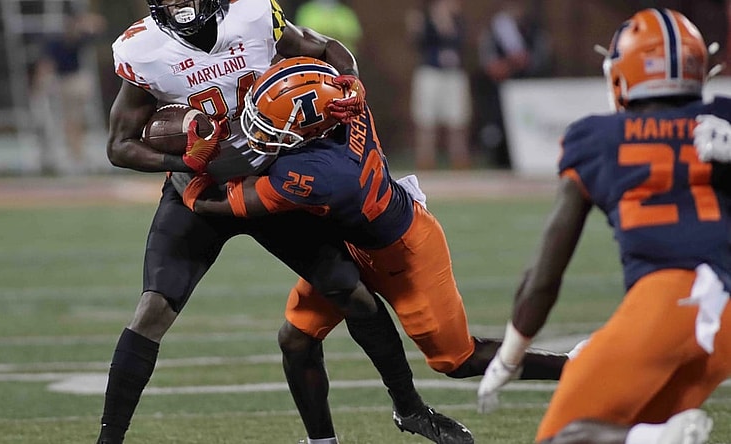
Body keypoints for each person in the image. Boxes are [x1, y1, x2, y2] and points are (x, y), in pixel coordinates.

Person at [96, 1, 466, 443]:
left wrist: (350, 84)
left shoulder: (251, 14)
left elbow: (328, 49)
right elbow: (120, 146)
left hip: (270, 178)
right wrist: (181, 159)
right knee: (151, 311)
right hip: (201, 188)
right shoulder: (145, 49)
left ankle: (410, 410)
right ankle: (109, 440)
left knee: (353, 293)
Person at [192, 56, 570, 443]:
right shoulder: (349, 106)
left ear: (313, 128)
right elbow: (342, 65)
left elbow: (215, 203)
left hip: (407, 254)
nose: (261, 134)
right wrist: (353, 79)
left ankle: (575, 369)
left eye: (272, 126)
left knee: (456, 360)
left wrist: (185, 167)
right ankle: (322, 441)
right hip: (353, 243)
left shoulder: (313, 176)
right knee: (297, 339)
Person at [476, 8, 731, 444]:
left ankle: (655, 440)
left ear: (623, 73)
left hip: (672, 303)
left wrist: (509, 356)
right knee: (632, 419)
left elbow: (543, 276)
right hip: (720, 321)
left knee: (564, 438)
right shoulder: (723, 120)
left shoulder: (598, 138)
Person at [474, 0, 551, 169]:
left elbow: (541, 55)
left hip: (526, 87)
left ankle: (522, 158)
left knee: (525, 125)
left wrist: (528, 63)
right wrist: (502, 66)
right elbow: (488, 60)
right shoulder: (495, 29)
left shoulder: (531, 28)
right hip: (500, 87)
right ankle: (498, 159)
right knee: (498, 125)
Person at [31, 10, 106, 175]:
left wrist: (87, 21)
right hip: (62, 82)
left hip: (75, 81)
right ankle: (73, 155)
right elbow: (47, 65)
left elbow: (99, 24)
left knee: (73, 122)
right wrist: (40, 86)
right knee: (69, 122)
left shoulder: (79, 38)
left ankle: (77, 156)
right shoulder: (55, 40)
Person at [406, 0, 471, 170]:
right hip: (430, 73)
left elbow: (462, 43)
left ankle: (459, 159)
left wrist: (446, 23)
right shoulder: (424, 20)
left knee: (457, 119)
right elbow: (417, 44)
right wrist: (417, 27)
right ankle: (425, 159)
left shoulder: (459, 22)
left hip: (453, 74)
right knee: (426, 119)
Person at [294, 0, 362, 55]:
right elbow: (304, 34)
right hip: (315, 58)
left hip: (343, 59)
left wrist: (325, 33)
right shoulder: (307, 11)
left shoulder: (346, 12)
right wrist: (335, 35)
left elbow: (353, 35)